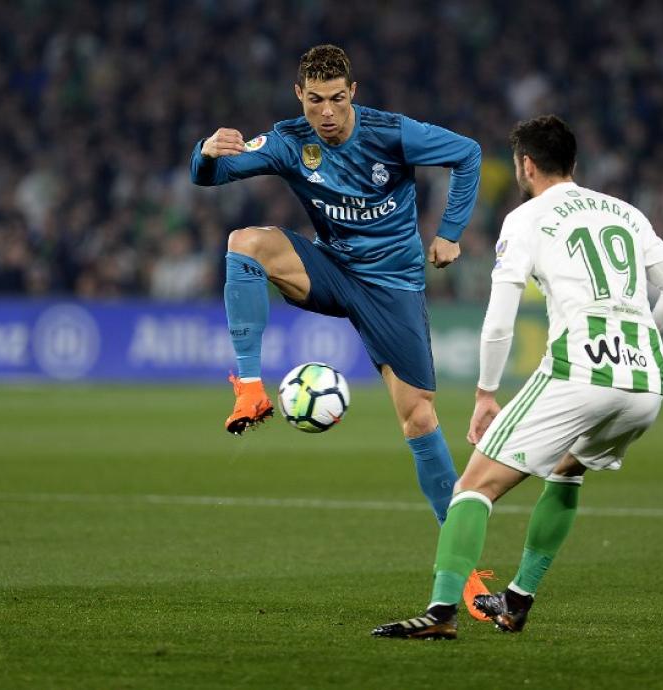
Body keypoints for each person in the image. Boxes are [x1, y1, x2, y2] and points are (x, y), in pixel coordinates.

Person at [190, 45, 492, 615]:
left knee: (419, 418)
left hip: (394, 289)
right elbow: (211, 176)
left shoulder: (392, 134)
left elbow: (469, 153)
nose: (325, 113)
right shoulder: (287, 141)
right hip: (331, 271)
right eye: (314, 101)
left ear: (352, 93)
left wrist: (450, 230)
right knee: (245, 244)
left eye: (335, 99)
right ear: (298, 97)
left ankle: (467, 572)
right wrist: (205, 154)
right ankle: (250, 390)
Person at [372, 115, 663, 640]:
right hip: (646, 379)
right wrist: (639, 338)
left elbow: (501, 317)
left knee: (472, 489)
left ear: (525, 164)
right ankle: (518, 600)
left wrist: (485, 393)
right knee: (568, 469)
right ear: (573, 161)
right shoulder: (627, 212)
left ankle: (441, 614)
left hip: (581, 367)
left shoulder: (526, 218)